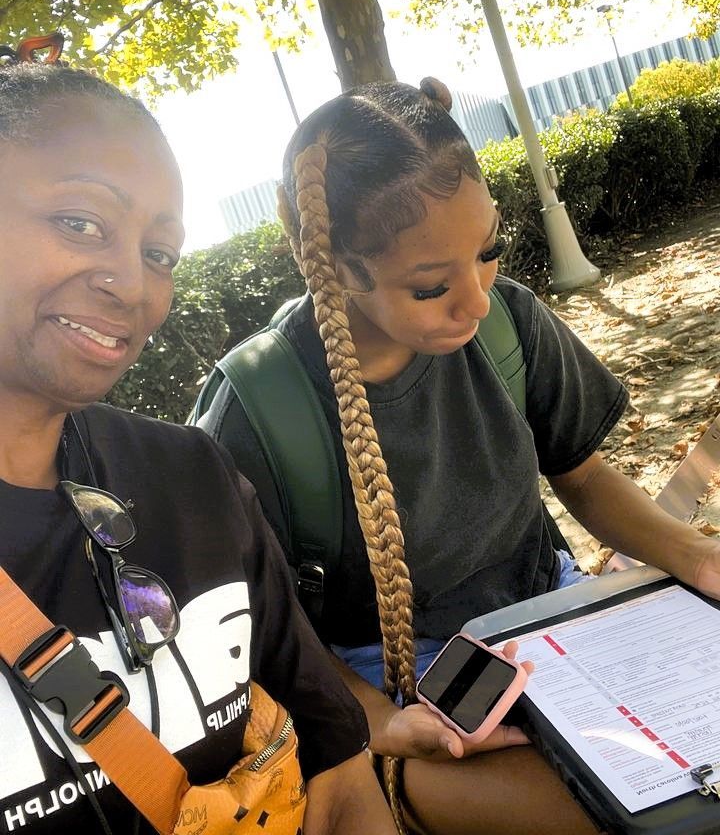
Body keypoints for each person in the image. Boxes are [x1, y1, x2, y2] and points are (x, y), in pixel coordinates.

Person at [202, 77, 720, 835]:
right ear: (337, 266)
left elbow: (582, 474)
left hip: (561, 620)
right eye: (432, 286)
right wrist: (379, 721)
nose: (475, 299)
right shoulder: (258, 410)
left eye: (488, 252)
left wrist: (696, 557)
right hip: (397, 696)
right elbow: (264, 633)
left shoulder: (507, 323)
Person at [0, 38, 398, 835]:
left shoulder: (192, 479)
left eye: (160, 254)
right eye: (80, 223)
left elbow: (342, 777)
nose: (132, 283)